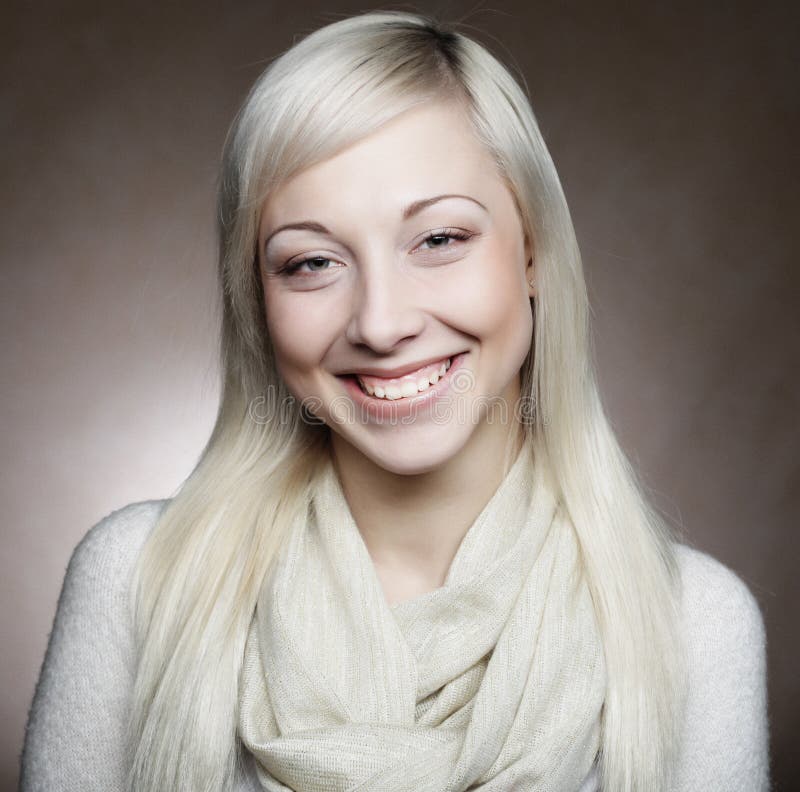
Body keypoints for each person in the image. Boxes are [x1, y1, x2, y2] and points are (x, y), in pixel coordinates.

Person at [18, 10, 770, 792]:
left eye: (439, 240)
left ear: (535, 253)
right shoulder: (139, 582)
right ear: (257, 300)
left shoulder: (695, 627)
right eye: (311, 261)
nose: (381, 323)